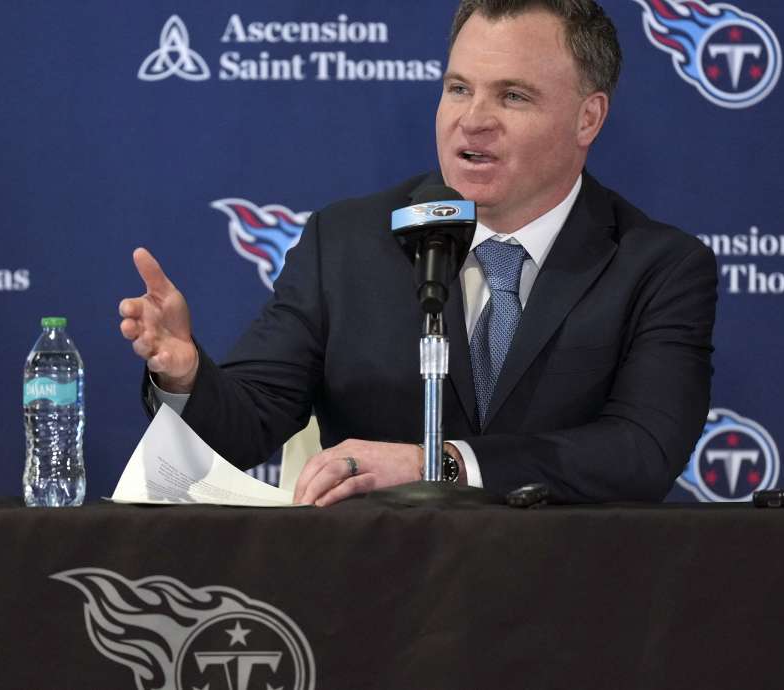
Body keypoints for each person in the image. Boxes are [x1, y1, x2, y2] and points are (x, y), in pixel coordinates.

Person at [118, 0, 717, 507]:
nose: (472, 121)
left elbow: (642, 451)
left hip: (567, 592)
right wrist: (186, 375)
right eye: (458, 89)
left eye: (512, 96)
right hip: (378, 588)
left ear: (588, 118)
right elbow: (244, 427)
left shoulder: (658, 267)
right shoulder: (347, 242)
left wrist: (439, 464)